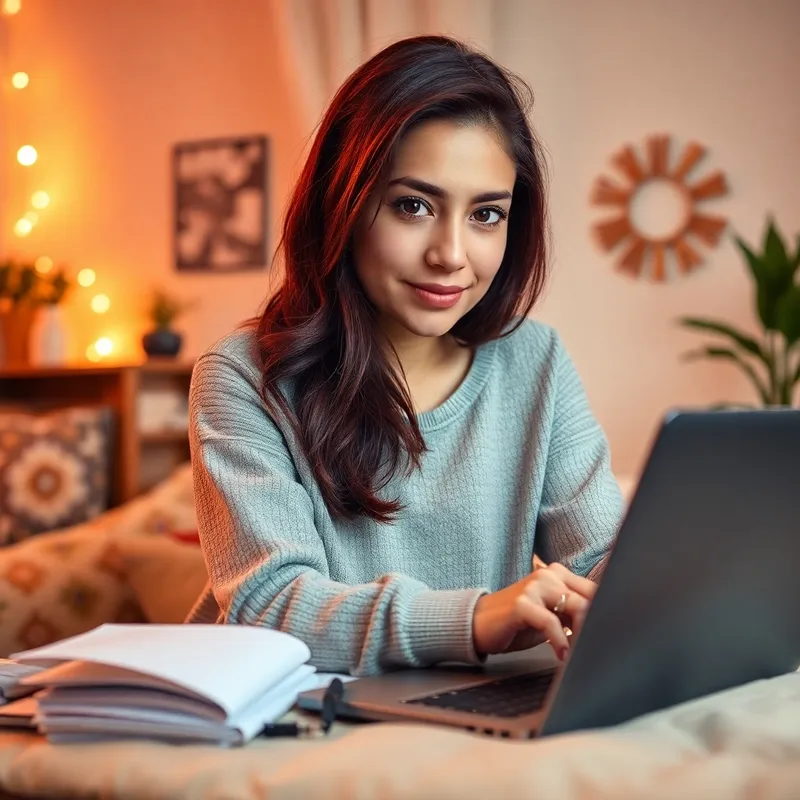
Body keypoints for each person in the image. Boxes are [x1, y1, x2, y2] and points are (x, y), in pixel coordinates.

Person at [187, 35, 624, 676]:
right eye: (413, 206)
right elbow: (269, 605)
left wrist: (665, 576)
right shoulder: (243, 379)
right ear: (345, 202)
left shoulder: (536, 362)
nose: (451, 254)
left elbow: (599, 558)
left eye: (486, 215)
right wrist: (473, 620)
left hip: (455, 713)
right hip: (280, 719)